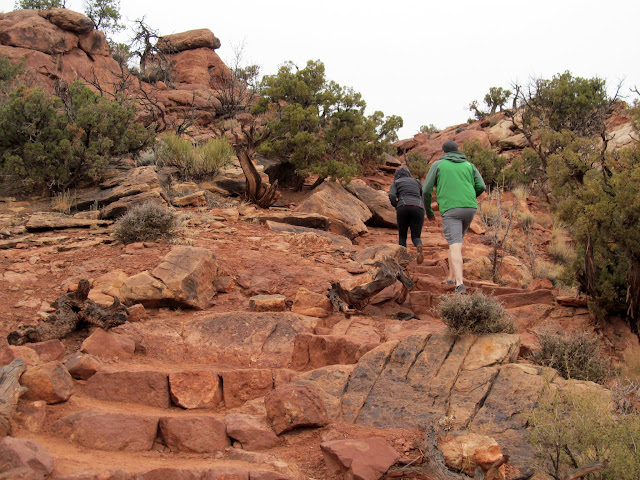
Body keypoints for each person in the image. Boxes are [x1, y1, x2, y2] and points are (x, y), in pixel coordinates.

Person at [422, 140, 486, 293]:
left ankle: (459, 283)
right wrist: (470, 197)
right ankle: (450, 277)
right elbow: (482, 186)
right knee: (454, 243)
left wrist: (429, 212)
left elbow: (425, 190)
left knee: (455, 244)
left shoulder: (438, 165)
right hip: (470, 208)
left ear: (444, 152)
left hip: (451, 209)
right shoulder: (469, 166)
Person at [388, 166, 426, 264]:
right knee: (416, 236)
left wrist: (396, 205)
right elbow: (424, 194)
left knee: (402, 236)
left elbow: (392, 196)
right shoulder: (417, 182)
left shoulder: (396, 182)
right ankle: (419, 245)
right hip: (418, 207)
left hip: (403, 207)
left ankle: (403, 260)